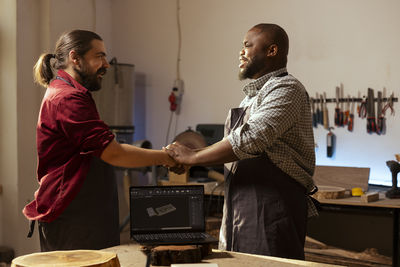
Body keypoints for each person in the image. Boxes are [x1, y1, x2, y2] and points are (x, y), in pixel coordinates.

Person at [165, 23, 318, 260]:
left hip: (273, 208)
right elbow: (233, 142)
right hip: (240, 206)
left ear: (272, 51)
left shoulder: (287, 89)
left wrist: (193, 157)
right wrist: (190, 157)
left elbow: (249, 139)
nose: (241, 51)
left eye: (247, 45)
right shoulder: (251, 98)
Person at [23, 29, 178, 251]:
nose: (106, 64)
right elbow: (114, 152)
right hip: (74, 218)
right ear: (75, 58)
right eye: (99, 56)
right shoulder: (68, 98)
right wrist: (168, 157)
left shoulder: (70, 93)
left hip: (84, 212)